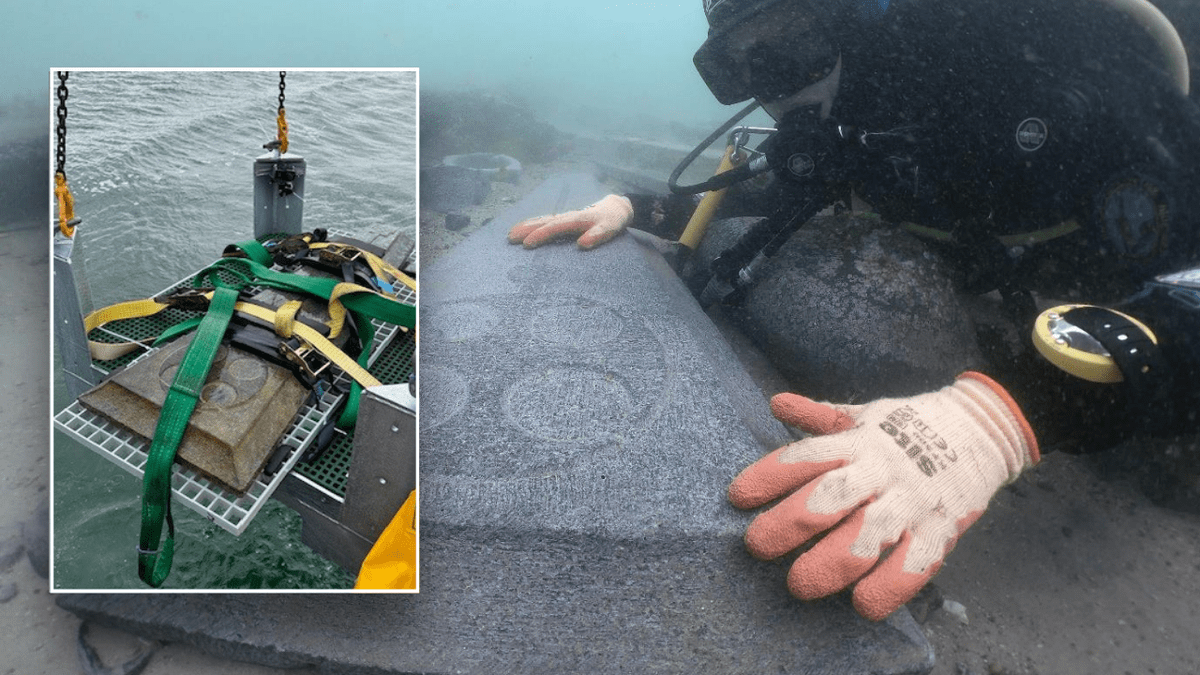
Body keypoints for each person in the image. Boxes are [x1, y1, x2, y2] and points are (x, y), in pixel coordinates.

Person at [507, 0, 1200, 622]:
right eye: (741, 64)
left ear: (853, 16)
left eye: (788, 42)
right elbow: (786, 186)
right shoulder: (859, 115)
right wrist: (639, 205)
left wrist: (1015, 413)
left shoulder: (1045, 71)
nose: (775, 87)